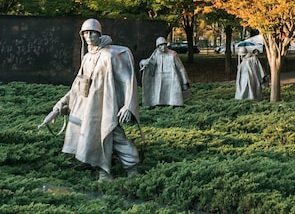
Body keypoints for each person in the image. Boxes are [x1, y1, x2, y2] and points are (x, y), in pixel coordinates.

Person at [46, 18, 140, 181]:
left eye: (92, 32)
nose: (88, 36)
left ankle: (133, 170)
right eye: (85, 33)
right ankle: (103, 171)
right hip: (88, 108)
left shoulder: (110, 55)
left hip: (106, 106)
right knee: (91, 137)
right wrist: (60, 105)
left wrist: (128, 105)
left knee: (115, 136)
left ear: (99, 33)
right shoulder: (88, 57)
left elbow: (127, 79)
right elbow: (77, 85)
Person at [140, 36, 191, 108]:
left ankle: (174, 105)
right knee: (159, 93)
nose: (162, 47)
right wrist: (143, 62)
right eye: (160, 45)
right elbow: (149, 63)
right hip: (159, 77)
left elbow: (181, 68)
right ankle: (158, 104)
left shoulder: (173, 55)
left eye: (164, 44)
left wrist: (185, 82)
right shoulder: (155, 55)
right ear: (157, 47)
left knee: (173, 94)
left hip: (172, 77)